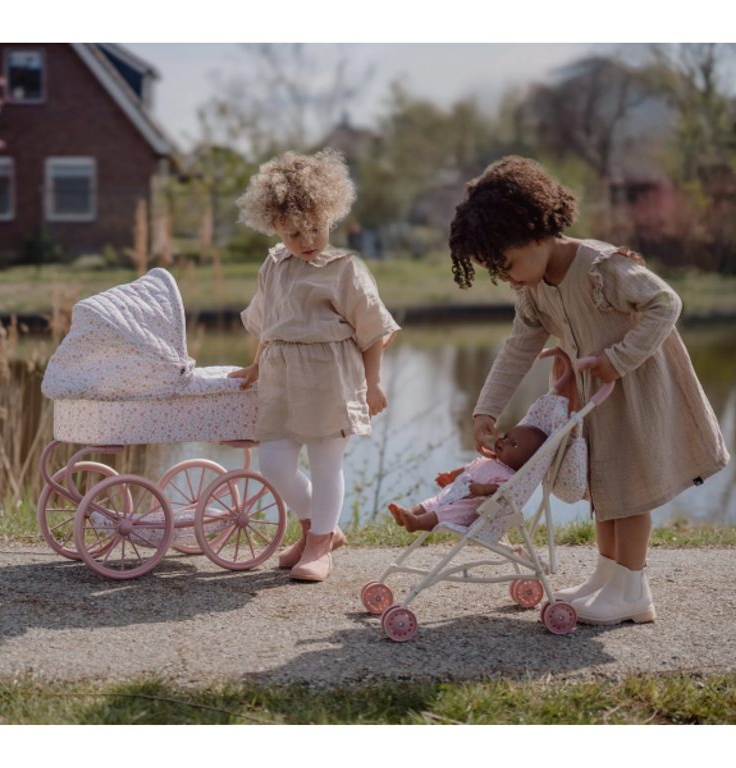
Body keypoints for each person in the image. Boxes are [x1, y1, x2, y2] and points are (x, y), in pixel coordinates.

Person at [449, 155, 730, 625]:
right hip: (593, 397)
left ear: (536, 233)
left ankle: (633, 590)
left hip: (635, 390)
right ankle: (607, 577)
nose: (509, 277)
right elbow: (518, 348)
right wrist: (486, 410)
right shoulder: (533, 287)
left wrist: (618, 358)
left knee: (630, 489)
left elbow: (665, 302)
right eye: (499, 272)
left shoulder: (603, 267)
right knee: (605, 487)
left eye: (509, 264)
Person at [229, 148, 400, 582]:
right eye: (293, 233)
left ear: (331, 218)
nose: (307, 241)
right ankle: (316, 528)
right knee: (274, 463)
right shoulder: (273, 265)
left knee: (326, 463)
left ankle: (320, 543)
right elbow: (268, 323)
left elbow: (374, 330)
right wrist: (255, 366)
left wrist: (373, 383)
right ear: (274, 226)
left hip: (331, 377)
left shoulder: (344, 269)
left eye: (315, 229)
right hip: (281, 376)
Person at [389, 424, 547, 532]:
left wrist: (483, 489)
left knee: (446, 513)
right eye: (506, 436)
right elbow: (468, 468)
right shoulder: (489, 460)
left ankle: (417, 523)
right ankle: (408, 514)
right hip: (455, 494)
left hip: (469, 507)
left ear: (526, 461)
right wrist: (451, 475)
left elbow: (502, 489)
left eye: (513, 444)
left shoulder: (509, 476)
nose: (503, 441)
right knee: (432, 502)